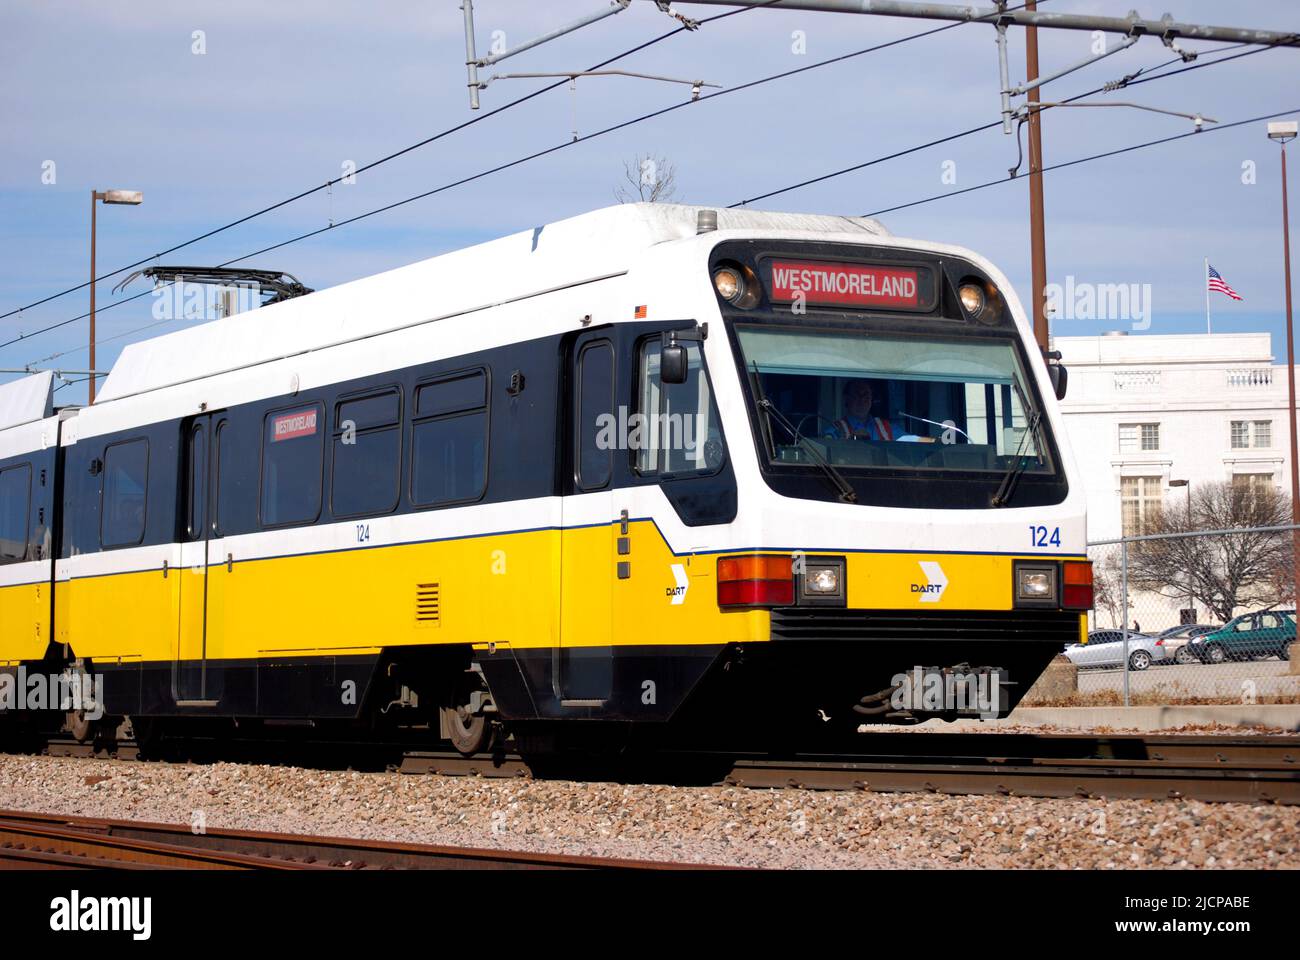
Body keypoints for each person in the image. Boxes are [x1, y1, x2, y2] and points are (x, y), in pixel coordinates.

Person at [826, 380, 923, 442]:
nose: (862, 399)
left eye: (866, 395)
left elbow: (911, 439)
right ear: (847, 399)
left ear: (872, 399)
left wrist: (934, 441)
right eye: (857, 395)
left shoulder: (885, 427)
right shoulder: (836, 429)